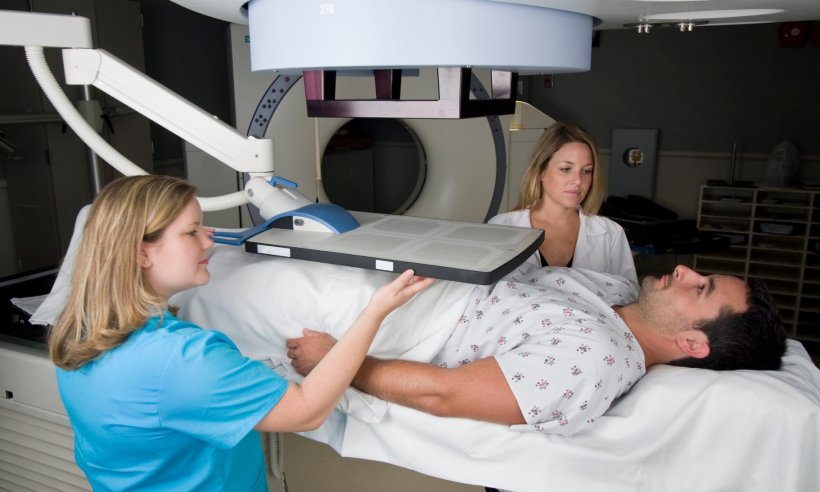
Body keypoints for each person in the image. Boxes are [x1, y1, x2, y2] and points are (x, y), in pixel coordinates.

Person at [47, 175, 433, 491]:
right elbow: (306, 411)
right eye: (191, 232)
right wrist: (374, 312)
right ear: (141, 253)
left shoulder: (78, 332)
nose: (209, 239)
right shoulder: (183, 358)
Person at [287, 263, 786, 436]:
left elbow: (442, 394)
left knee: (252, 277)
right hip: (430, 274)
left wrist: (340, 363)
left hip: (394, 319)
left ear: (693, 344)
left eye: (701, 289)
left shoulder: (596, 364)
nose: (686, 271)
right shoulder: (615, 291)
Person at [489, 122, 637, 285]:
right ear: (541, 171)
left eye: (586, 171)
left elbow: (629, 299)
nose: (578, 180)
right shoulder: (500, 227)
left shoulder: (611, 235)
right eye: (566, 169)